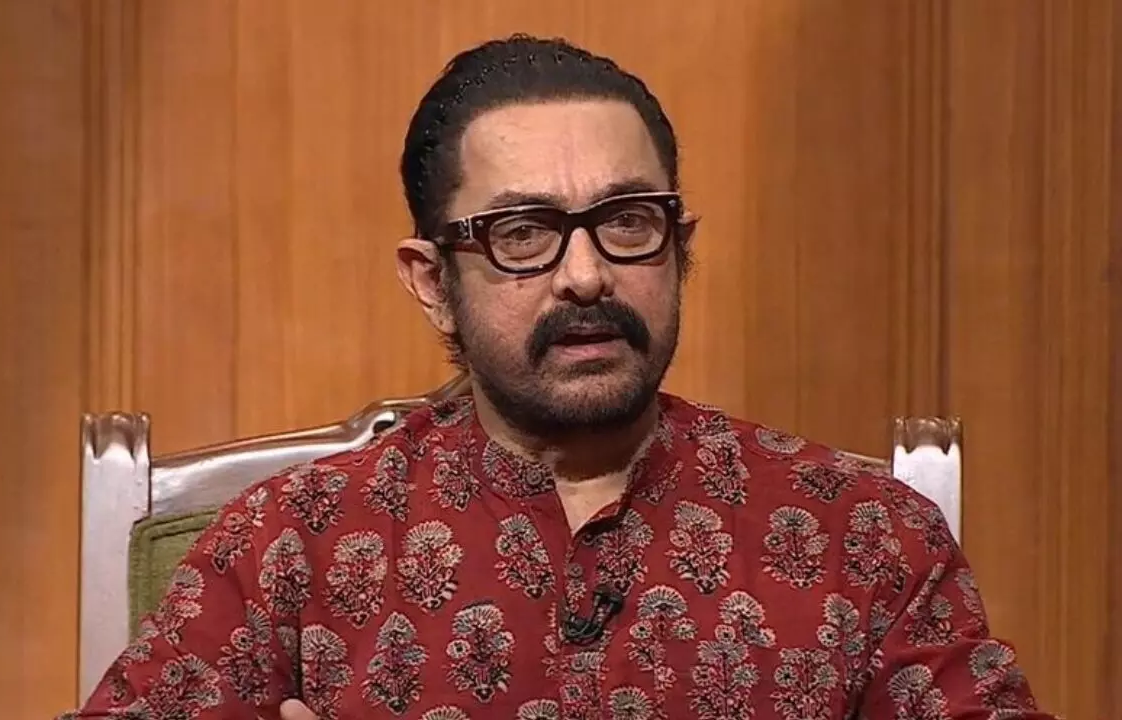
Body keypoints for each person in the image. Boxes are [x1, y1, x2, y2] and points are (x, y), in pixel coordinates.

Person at [63, 34, 1054, 720]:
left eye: (627, 221)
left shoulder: (865, 538)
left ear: (679, 247)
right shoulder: (292, 548)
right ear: (433, 282)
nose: (586, 275)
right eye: (523, 233)